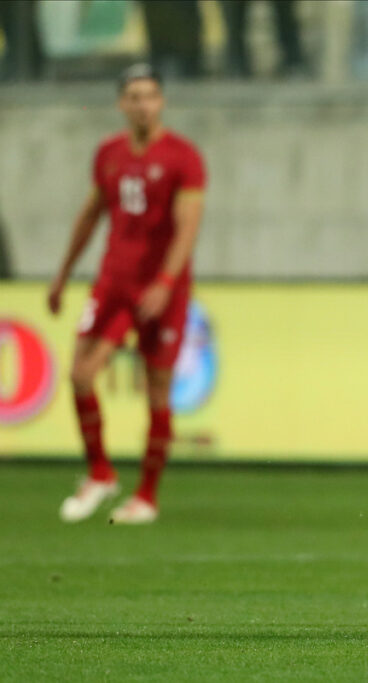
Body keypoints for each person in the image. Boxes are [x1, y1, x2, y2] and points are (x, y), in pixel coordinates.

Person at [48, 64, 206, 525]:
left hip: (161, 290)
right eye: (133, 96)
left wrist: (165, 282)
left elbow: (187, 227)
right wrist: (62, 274)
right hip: (114, 283)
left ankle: (147, 496)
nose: (142, 104)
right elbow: (91, 214)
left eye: (150, 95)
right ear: (121, 103)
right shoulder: (109, 154)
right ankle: (100, 472)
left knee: (157, 391)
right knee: (81, 374)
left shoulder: (183, 157)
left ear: (162, 102)